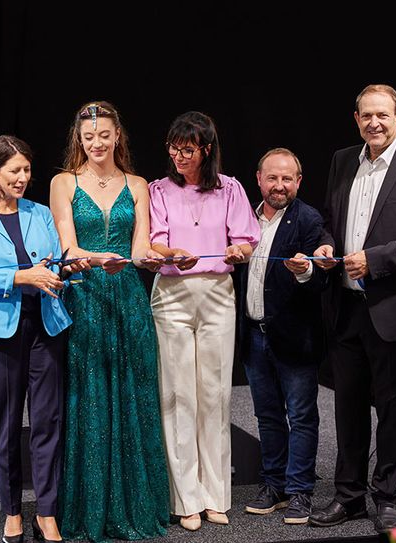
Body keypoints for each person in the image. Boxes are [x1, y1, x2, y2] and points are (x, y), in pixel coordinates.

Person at [308, 84, 396, 533]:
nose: (374, 123)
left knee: (392, 409)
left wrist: (376, 259)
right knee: (347, 407)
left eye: (383, 116)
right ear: (356, 118)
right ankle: (348, 496)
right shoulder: (341, 160)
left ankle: (386, 496)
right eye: (366, 115)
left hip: (393, 305)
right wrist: (327, 244)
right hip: (346, 305)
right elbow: (332, 220)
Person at [0, 135, 86, 543]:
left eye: (27, 170)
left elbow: (55, 262)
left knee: (48, 422)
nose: (23, 178)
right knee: (6, 426)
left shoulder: (40, 212)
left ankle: (46, 512)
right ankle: (11, 511)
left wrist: (61, 271)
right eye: (15, 171)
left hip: (46, 328)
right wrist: (22, 276)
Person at [49, 101, 170, 542]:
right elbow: (67, 247)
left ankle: (138, 506)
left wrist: (153, 259)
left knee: (133, 393)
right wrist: (96, 259)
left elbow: (139, 248)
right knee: (91, 398)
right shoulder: (64, 182)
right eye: (88, 138)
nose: (96, 144)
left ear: (117, 135)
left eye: (103, 136)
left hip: (128, 298)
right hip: (86, 297)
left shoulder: (137, 184)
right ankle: (90, 509)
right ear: (78, 141)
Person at [148, 111, 260, 531]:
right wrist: (172, 254)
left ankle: (216, 495)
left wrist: (238, 252)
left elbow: (246, 239)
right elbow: (154, 241)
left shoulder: (229, 188)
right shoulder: (158, 190)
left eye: (188, 149)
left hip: (217, 295)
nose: (179, 155)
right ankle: (186, 499)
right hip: (173, 295)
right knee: (178, 396)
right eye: (174, 148)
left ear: (206, 150)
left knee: (215, 395)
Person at [238, 148, 326, 525]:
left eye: (287, 179)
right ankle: (273, 485)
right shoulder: (243, 218)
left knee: (302, 416)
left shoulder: (307, 219)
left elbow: (320, 277)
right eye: (272, 178)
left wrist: (305, 271)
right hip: (254, 335)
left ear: (298, 182)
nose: (279, 186)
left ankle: (300, 492)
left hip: (295, 336)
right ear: (258, 179)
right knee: (267, 415)